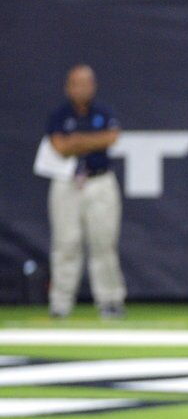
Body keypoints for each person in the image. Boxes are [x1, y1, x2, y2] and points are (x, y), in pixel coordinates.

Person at [45, 64, 125, 320]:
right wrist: (92, 141)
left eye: (87, 83)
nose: (83, 88)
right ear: (68, 87)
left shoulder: (104, 112)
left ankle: (110, 301)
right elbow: (59, 147)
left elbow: (111, 138)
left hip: (99, 181)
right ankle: (60, 304)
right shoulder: (59, 115)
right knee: (65, 243)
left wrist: (77, 141)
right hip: (67, 182)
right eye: (77, 83)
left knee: (103, 242)